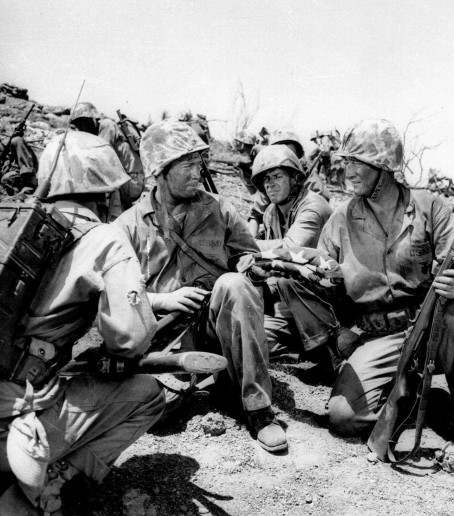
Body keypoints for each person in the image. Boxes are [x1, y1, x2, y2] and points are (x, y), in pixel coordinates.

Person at [320, 119, 454, 475]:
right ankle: (414, 401)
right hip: (378, 333)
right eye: (346, 162)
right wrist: (326, 282)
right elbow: (322, 276)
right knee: (344, 417)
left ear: (384, 167)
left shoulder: (431, 207)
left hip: (433, 320)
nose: (348, 171)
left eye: (357, 162)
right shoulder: (341, 219)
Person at [0, 131, 163, 514]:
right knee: (148, 394)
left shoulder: (10, 221)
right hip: (14, 426)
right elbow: (130, 337)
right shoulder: (107, 238)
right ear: (107, 190)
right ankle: (45, 487)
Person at [115, 120, 287, 453]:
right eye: (187, 165)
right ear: (160, 171)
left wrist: (251, 268)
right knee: (159, 414)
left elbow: (247, 255)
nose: (197, 172)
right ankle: (213, 381)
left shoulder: (220, 209)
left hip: (216, 320)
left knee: (235, 285)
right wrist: (164, 299)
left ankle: (258, 409)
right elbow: (115, 295)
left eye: (199, 163)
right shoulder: (129, 226)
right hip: (166, 334)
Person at [249, 144, 336, 362]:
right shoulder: (271, 212)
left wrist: (242, 243)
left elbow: (289, 250)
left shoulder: (313, 206)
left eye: (276, 176)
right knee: (255, 339)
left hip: (327, 299)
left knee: (287, 283)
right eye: (265, 180)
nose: (270, 184)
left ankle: (330, 347)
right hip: (292, 298)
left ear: (295, 178)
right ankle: (306, 347)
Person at [70, 101, 145, 216]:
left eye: (84, 122)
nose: (81, 127)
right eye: (78, 124)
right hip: (128, 180)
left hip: (132, 182)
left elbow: (99, 157)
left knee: (100, 177)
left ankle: (112, 219)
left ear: (94, 119)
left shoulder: (106, 126)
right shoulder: (97, 131)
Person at [0, 128, 38, 196]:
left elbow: (7, 152)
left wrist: (13, 137)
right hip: (7, 176)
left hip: (21, 168)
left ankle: (29, 183)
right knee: (8, 178)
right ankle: (18, 189)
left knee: (16, 140)